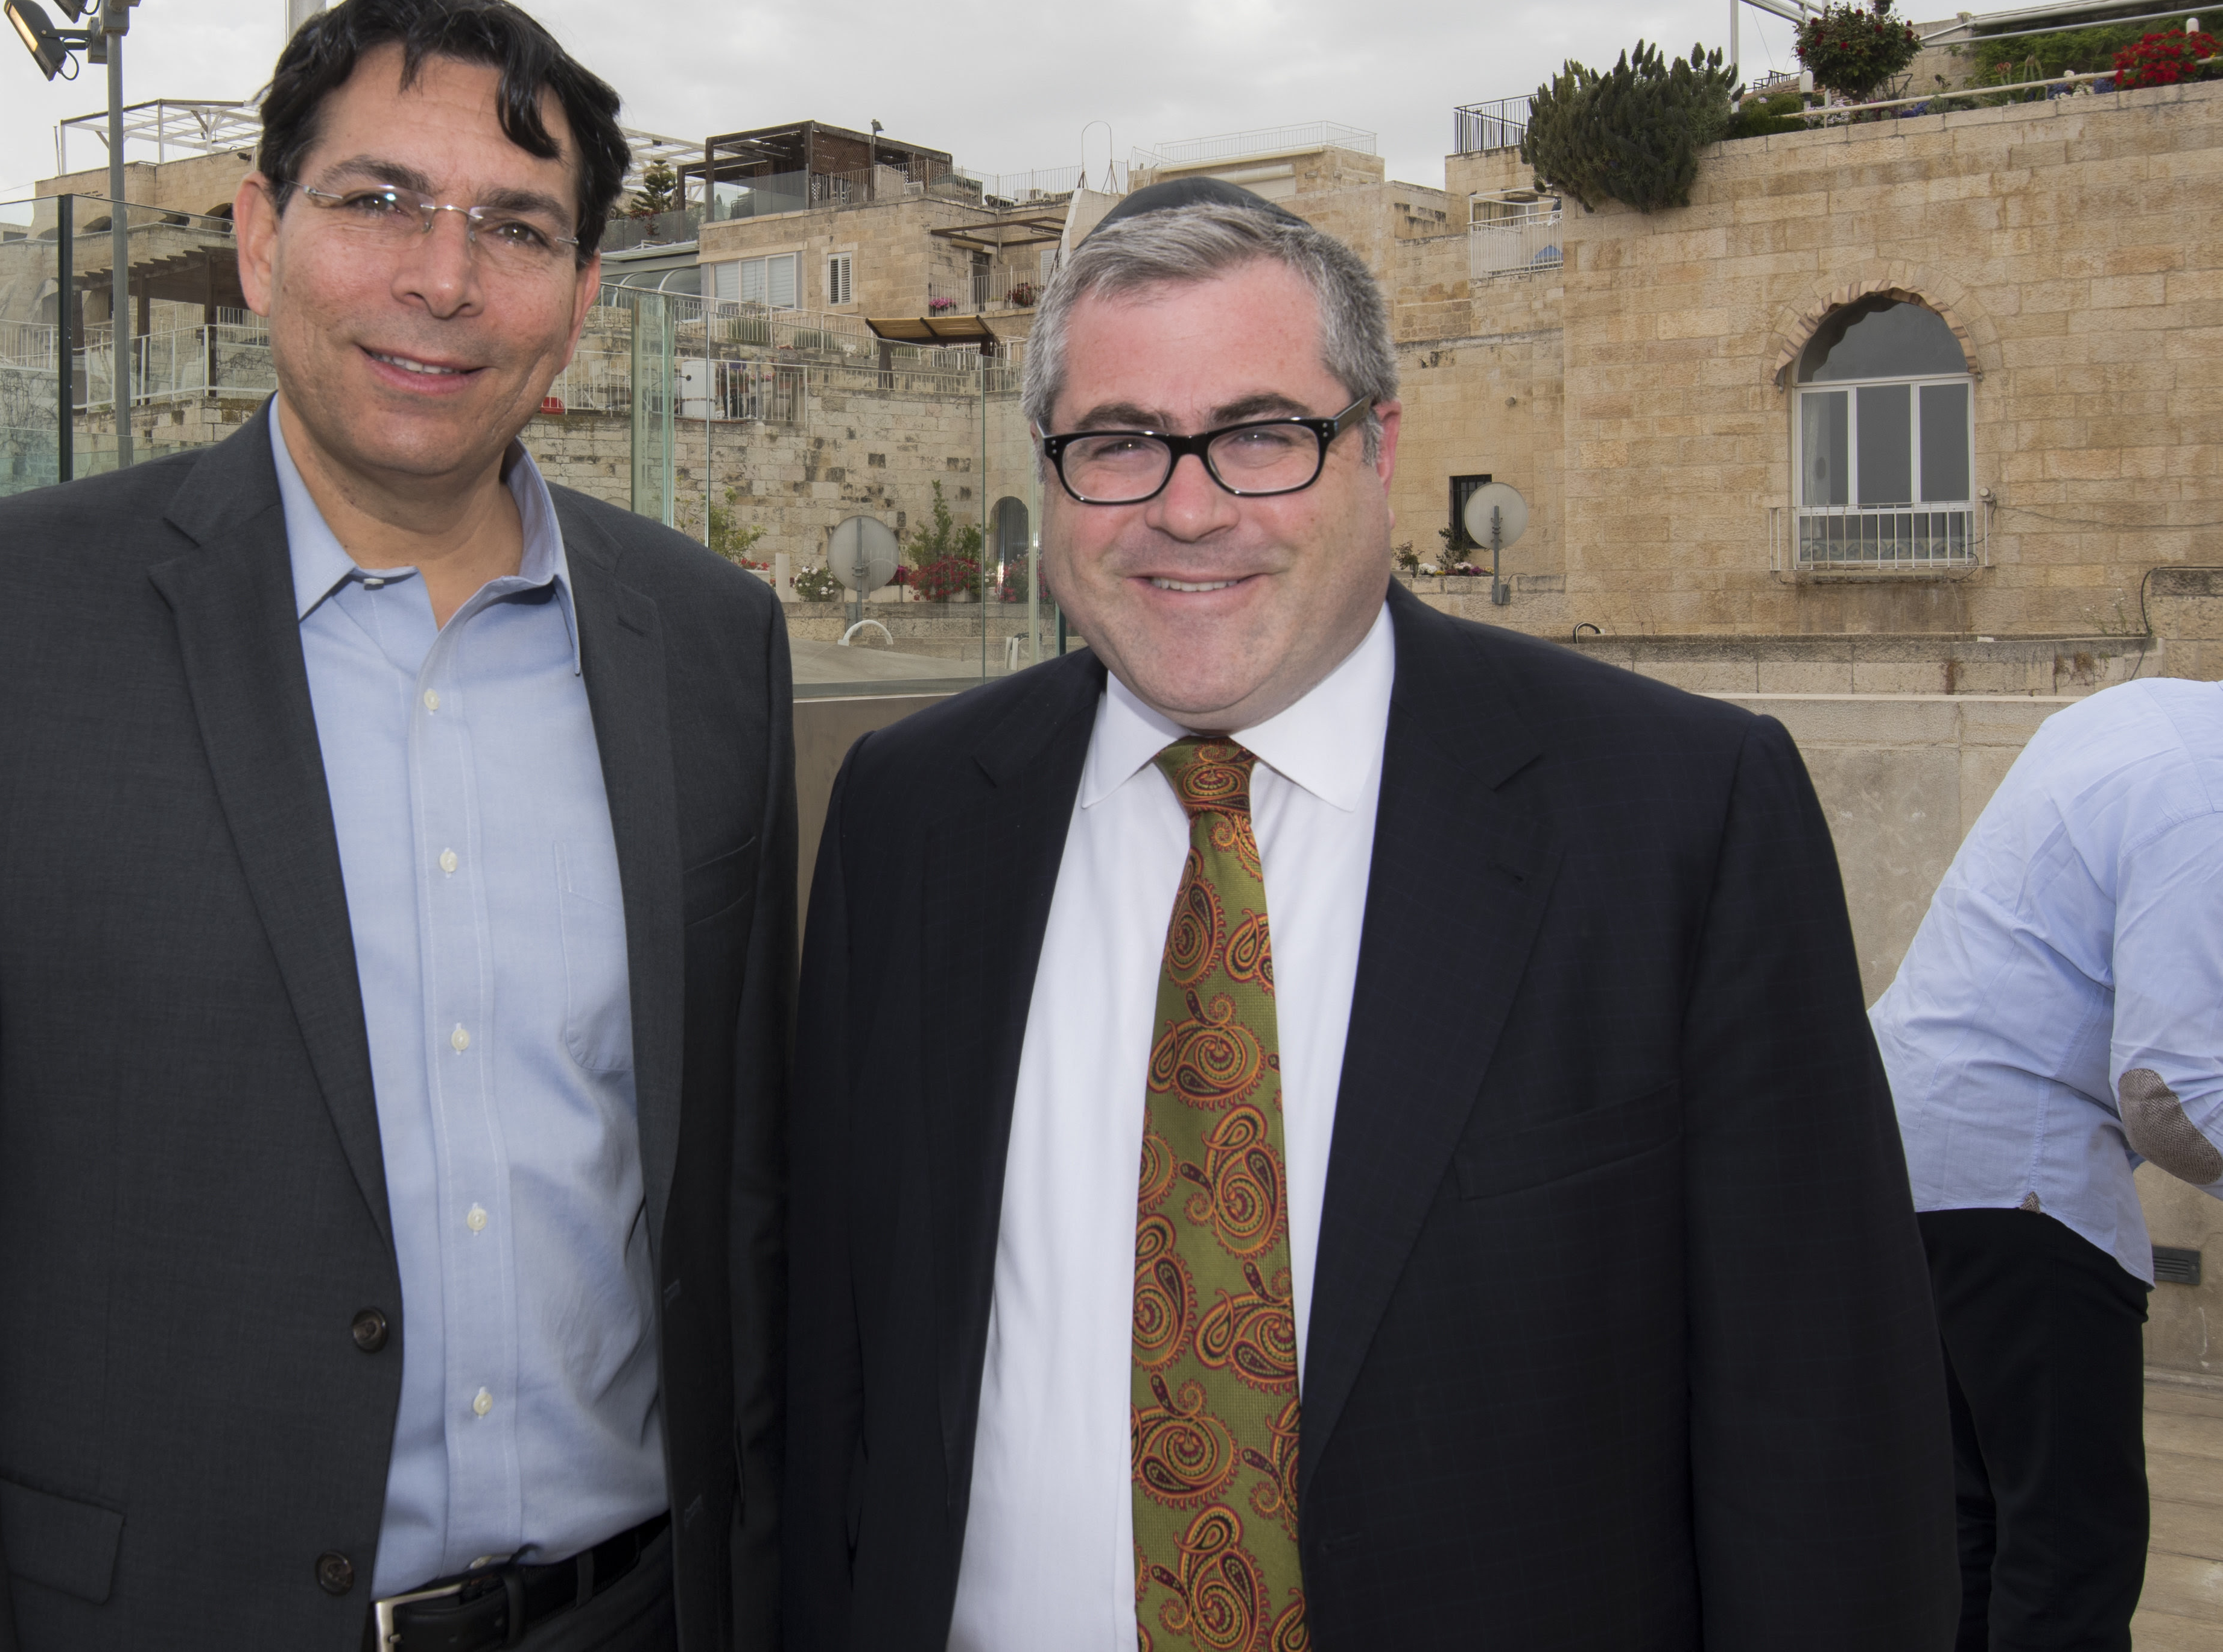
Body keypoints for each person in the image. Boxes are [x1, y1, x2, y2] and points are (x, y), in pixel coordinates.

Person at [0, 0, 793, 1651]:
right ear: (259, 238)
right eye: (379, 200)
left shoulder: (713, 646)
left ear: (582, 298)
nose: (443, 278)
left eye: (517, 228)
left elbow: (744, 1208)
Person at [782, 189, 1956, 1651]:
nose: (1188, 507)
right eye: (1120, 442)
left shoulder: (1678, 818)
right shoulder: (909, 817)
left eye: (1264, 433)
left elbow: (1829, 1455)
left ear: (1381, 448)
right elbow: (830, 1377)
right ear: (1053, 473)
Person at [1873, 676, 2223, 1651]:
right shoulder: (2208, 800)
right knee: (2070, 1559)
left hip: (1907, 1154)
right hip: (2021, 1188)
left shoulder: (2140, 712)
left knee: (1970, 1535)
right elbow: (2168, 1095)